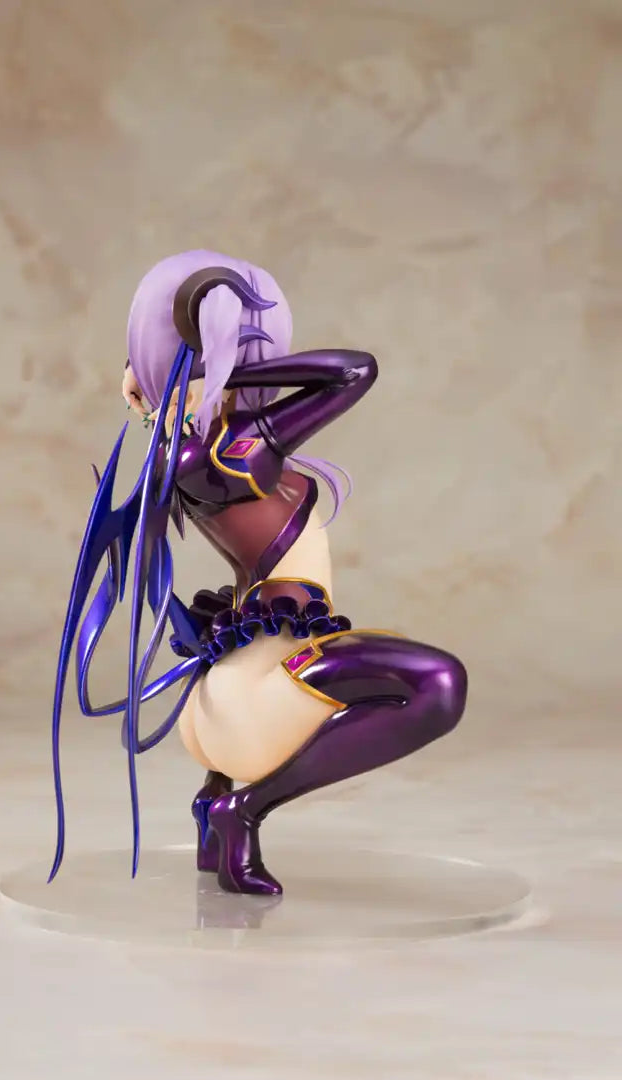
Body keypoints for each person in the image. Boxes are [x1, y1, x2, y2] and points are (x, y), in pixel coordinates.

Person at [50, 250, 468, 896]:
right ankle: (242, 810)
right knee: (438, 683)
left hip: (242, 680)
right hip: (257, 689)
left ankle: (215, 809)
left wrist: (185, 378)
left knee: (411, 670)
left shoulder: (193, 448)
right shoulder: (234, 450)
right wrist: (224, 370)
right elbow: (354, 370)